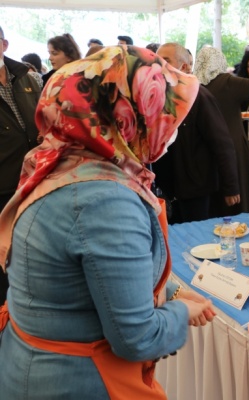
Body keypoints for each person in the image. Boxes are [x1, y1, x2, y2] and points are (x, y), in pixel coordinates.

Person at [0, 45, 215, 399]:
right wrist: (179, 311)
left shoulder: (61, 157)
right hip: (72, 382)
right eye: (162, 111)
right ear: (128, 116)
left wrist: (169, 289)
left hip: (31, 366)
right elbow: (137, 337)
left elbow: (87, 277)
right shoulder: (105, 199)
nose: (169, 128)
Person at [153, 42, 240, 222]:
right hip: (169, 188)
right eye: (157, 59)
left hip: (196, 189)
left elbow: (222, 143)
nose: (159, 64)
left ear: (184, 66)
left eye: (165, 60)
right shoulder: (160, 95)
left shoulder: (199, 96)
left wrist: (231, 187)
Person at [194, 46, 249, 216]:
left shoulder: (195, 86)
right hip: (233, 148)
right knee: (240, 199)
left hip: (204, 151)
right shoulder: (226, 82)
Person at [0, 25, 41, 304]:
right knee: (3, 254)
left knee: (32, 248)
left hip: (35, 181)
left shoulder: (26, 77)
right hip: (3, 186)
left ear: (3, 45)